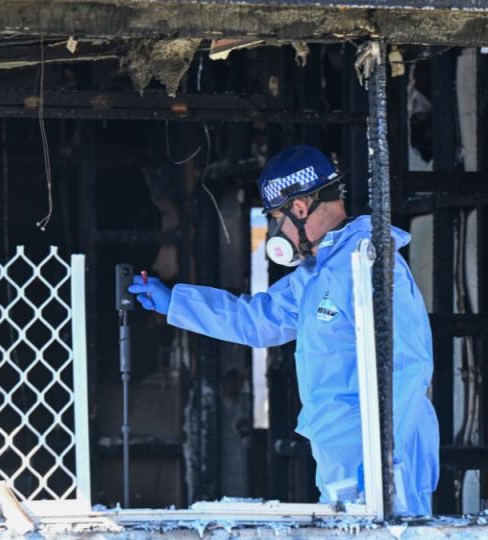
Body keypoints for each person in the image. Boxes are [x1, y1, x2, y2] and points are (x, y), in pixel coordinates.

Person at [129, 145, 438, 515]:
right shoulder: (315, 275)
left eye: (277, 217)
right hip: (343, 456)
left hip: (385, 463)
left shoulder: (369, 264)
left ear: (301, 207)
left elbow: (408, 366)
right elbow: (258, 321)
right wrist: (176, 303)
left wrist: (382, 460)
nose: (278, 231)